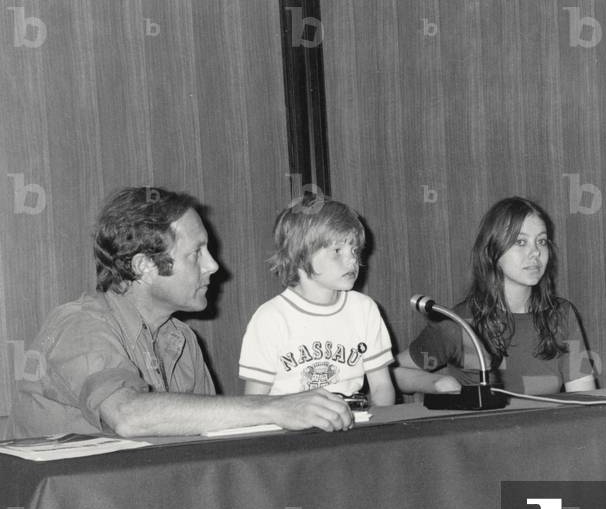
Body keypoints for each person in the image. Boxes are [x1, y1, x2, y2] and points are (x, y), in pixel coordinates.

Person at [10, 187, 354, 439]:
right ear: (145, 266)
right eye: (196, 253)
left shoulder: (182, 340)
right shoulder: (80, 326)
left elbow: (205, 445)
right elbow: (129, 417)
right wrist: (275, 408)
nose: (213, 265)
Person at [394, 197, 596, 395]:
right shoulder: (460, 323)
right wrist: (437, 382)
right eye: (521, 242)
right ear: (493, 251)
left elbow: (584, 399)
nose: (535, 252)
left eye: (541, 241)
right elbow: (394, 372)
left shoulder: (561, 315)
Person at [239, 195, 395, 405]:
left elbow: (381, 387)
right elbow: (255, 402)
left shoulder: (364, 309)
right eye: (337, 251)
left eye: (355, 250)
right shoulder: (270, 318)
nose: (352, 260)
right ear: (300, 255)